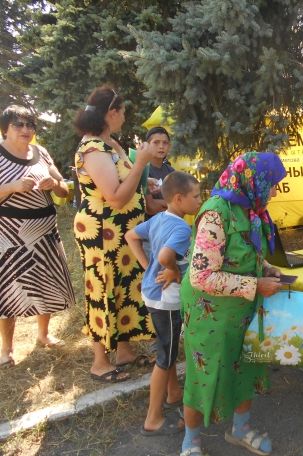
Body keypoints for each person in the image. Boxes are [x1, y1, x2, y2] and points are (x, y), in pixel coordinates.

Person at [179, 152, 286, 456]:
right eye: (272, 184)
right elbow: (201, 276)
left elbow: (247, 252)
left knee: (246, 366)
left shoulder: (252, 210)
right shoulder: (216, 213)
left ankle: (240, 429)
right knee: (205, 374)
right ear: (254, 181)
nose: (274, 191)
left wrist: (266, 268)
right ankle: (191, 441)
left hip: (243, 308)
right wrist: (256, 285)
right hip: (210, 312)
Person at [73, 85, 155, 383]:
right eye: (122, 111)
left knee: (125, 287)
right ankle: (99, 362)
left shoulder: (111, 143)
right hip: (102, 232)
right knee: (103, 288)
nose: (125, 116)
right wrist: (142, 163)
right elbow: (116, 197)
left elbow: (126, 181)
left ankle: (124, 352)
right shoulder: (93, 149)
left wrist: (144, 182)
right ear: (111, 112)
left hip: (122, 232)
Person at [126, 171, 202, 436]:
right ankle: (153, 419)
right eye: (196, 196)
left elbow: (131, 236)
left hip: (152, 294)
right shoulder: (182, 228)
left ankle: (173, 394)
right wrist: (172, 270)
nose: (200, 201)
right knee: (165, 356)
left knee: (166, 347)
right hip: (166, 299)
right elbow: (165, 256)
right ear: (179, 199)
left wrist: (148, 266)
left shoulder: (159, 218)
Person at [0, 105, 76, 368]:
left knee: (46, 283)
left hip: (45, 230)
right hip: (11, 234)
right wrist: (11, 187)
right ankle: (6, 348)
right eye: (18, 125)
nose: (26, 130)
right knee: (9, 290)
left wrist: (54, 184)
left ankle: (44, 334)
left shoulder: (40, 152)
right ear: (5, 129)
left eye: (30, 125)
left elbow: (64, 189)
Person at [144, 126, 175, 216]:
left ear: (169, 146)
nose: (161, 146)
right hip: (148, 222)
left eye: (165, 143)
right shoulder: (142, 169)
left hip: (169, 221)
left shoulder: (171, 171)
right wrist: (173, 206)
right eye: (156, 142)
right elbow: (150, 207)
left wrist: (160, 203)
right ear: (147, 145)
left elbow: (180, 202)